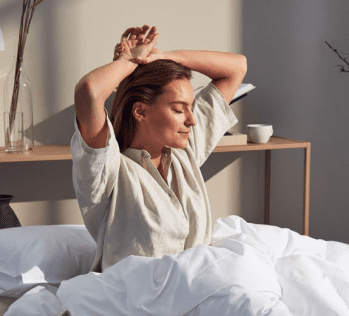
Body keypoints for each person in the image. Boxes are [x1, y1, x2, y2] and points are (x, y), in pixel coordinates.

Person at [71, 25, 247, 272]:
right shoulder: (108, 171)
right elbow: (88, 90)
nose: (192, 119)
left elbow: (237, 68)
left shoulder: (184, 152)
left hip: (195, 292)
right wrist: (127, 61)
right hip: (135, 301)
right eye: (178, 109)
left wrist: (164, 57)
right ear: (141, 111)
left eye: (191, 107)